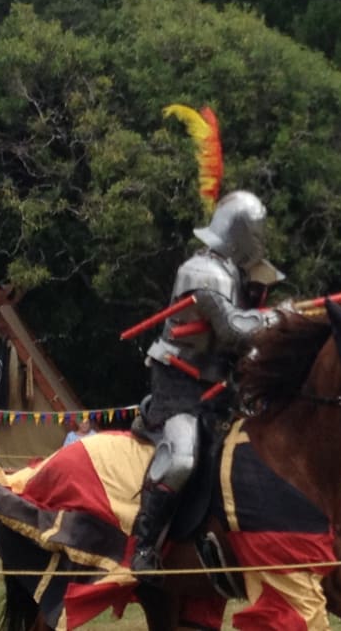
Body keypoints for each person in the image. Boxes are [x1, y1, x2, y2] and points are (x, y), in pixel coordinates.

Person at [131, 190, 284, 580]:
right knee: (182, 458)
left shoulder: (235, 273)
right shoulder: (201, 272)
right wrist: (278, 319)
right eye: (256, 232)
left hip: (216, 385)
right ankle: (144, 546)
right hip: (179, 383)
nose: (260, 240)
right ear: (238, 232)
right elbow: (232, 330)